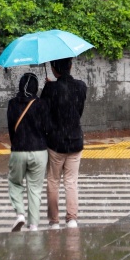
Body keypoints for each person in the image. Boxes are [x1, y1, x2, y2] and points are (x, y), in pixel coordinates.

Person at [40, 58, 87, 229]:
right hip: (75, 139)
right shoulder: (81, 86)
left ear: (53, 69)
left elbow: (44, 112)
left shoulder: (50, 88)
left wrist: (49, 87)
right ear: (71, 66)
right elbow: (78, 111)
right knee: (71, 181)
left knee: (53, 180)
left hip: (55, 142)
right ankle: (72, 218)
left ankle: (54, 221)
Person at [7, 72, 49, 232]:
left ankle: (20, 214)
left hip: (18, 149)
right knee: (35, 189)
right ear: (36, 87)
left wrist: (16, 144)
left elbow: (11, 129)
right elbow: (47, 128)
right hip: (39, 150)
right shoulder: (42, 104)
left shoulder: (12, 103)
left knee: (15, 183)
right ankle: (34, 225)